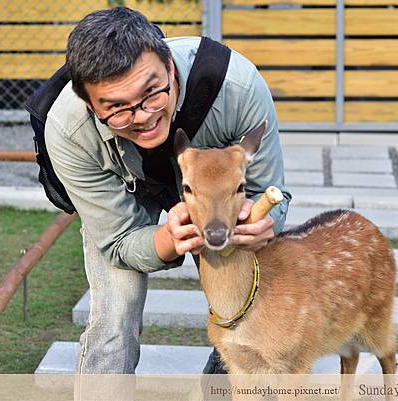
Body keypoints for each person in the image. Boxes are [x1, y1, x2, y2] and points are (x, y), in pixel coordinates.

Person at [45, 6, 292, 374]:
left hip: (214, 193)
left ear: (171, 68)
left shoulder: (237, 87)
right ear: (89, 104)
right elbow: (117, 241)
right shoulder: (68, 131)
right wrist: (166, 240)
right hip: (126, 190)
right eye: (117, 108)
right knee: (114, 319)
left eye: (151, 93)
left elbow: (268, 194)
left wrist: (254, 223)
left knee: (248, 306)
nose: (142, 116)